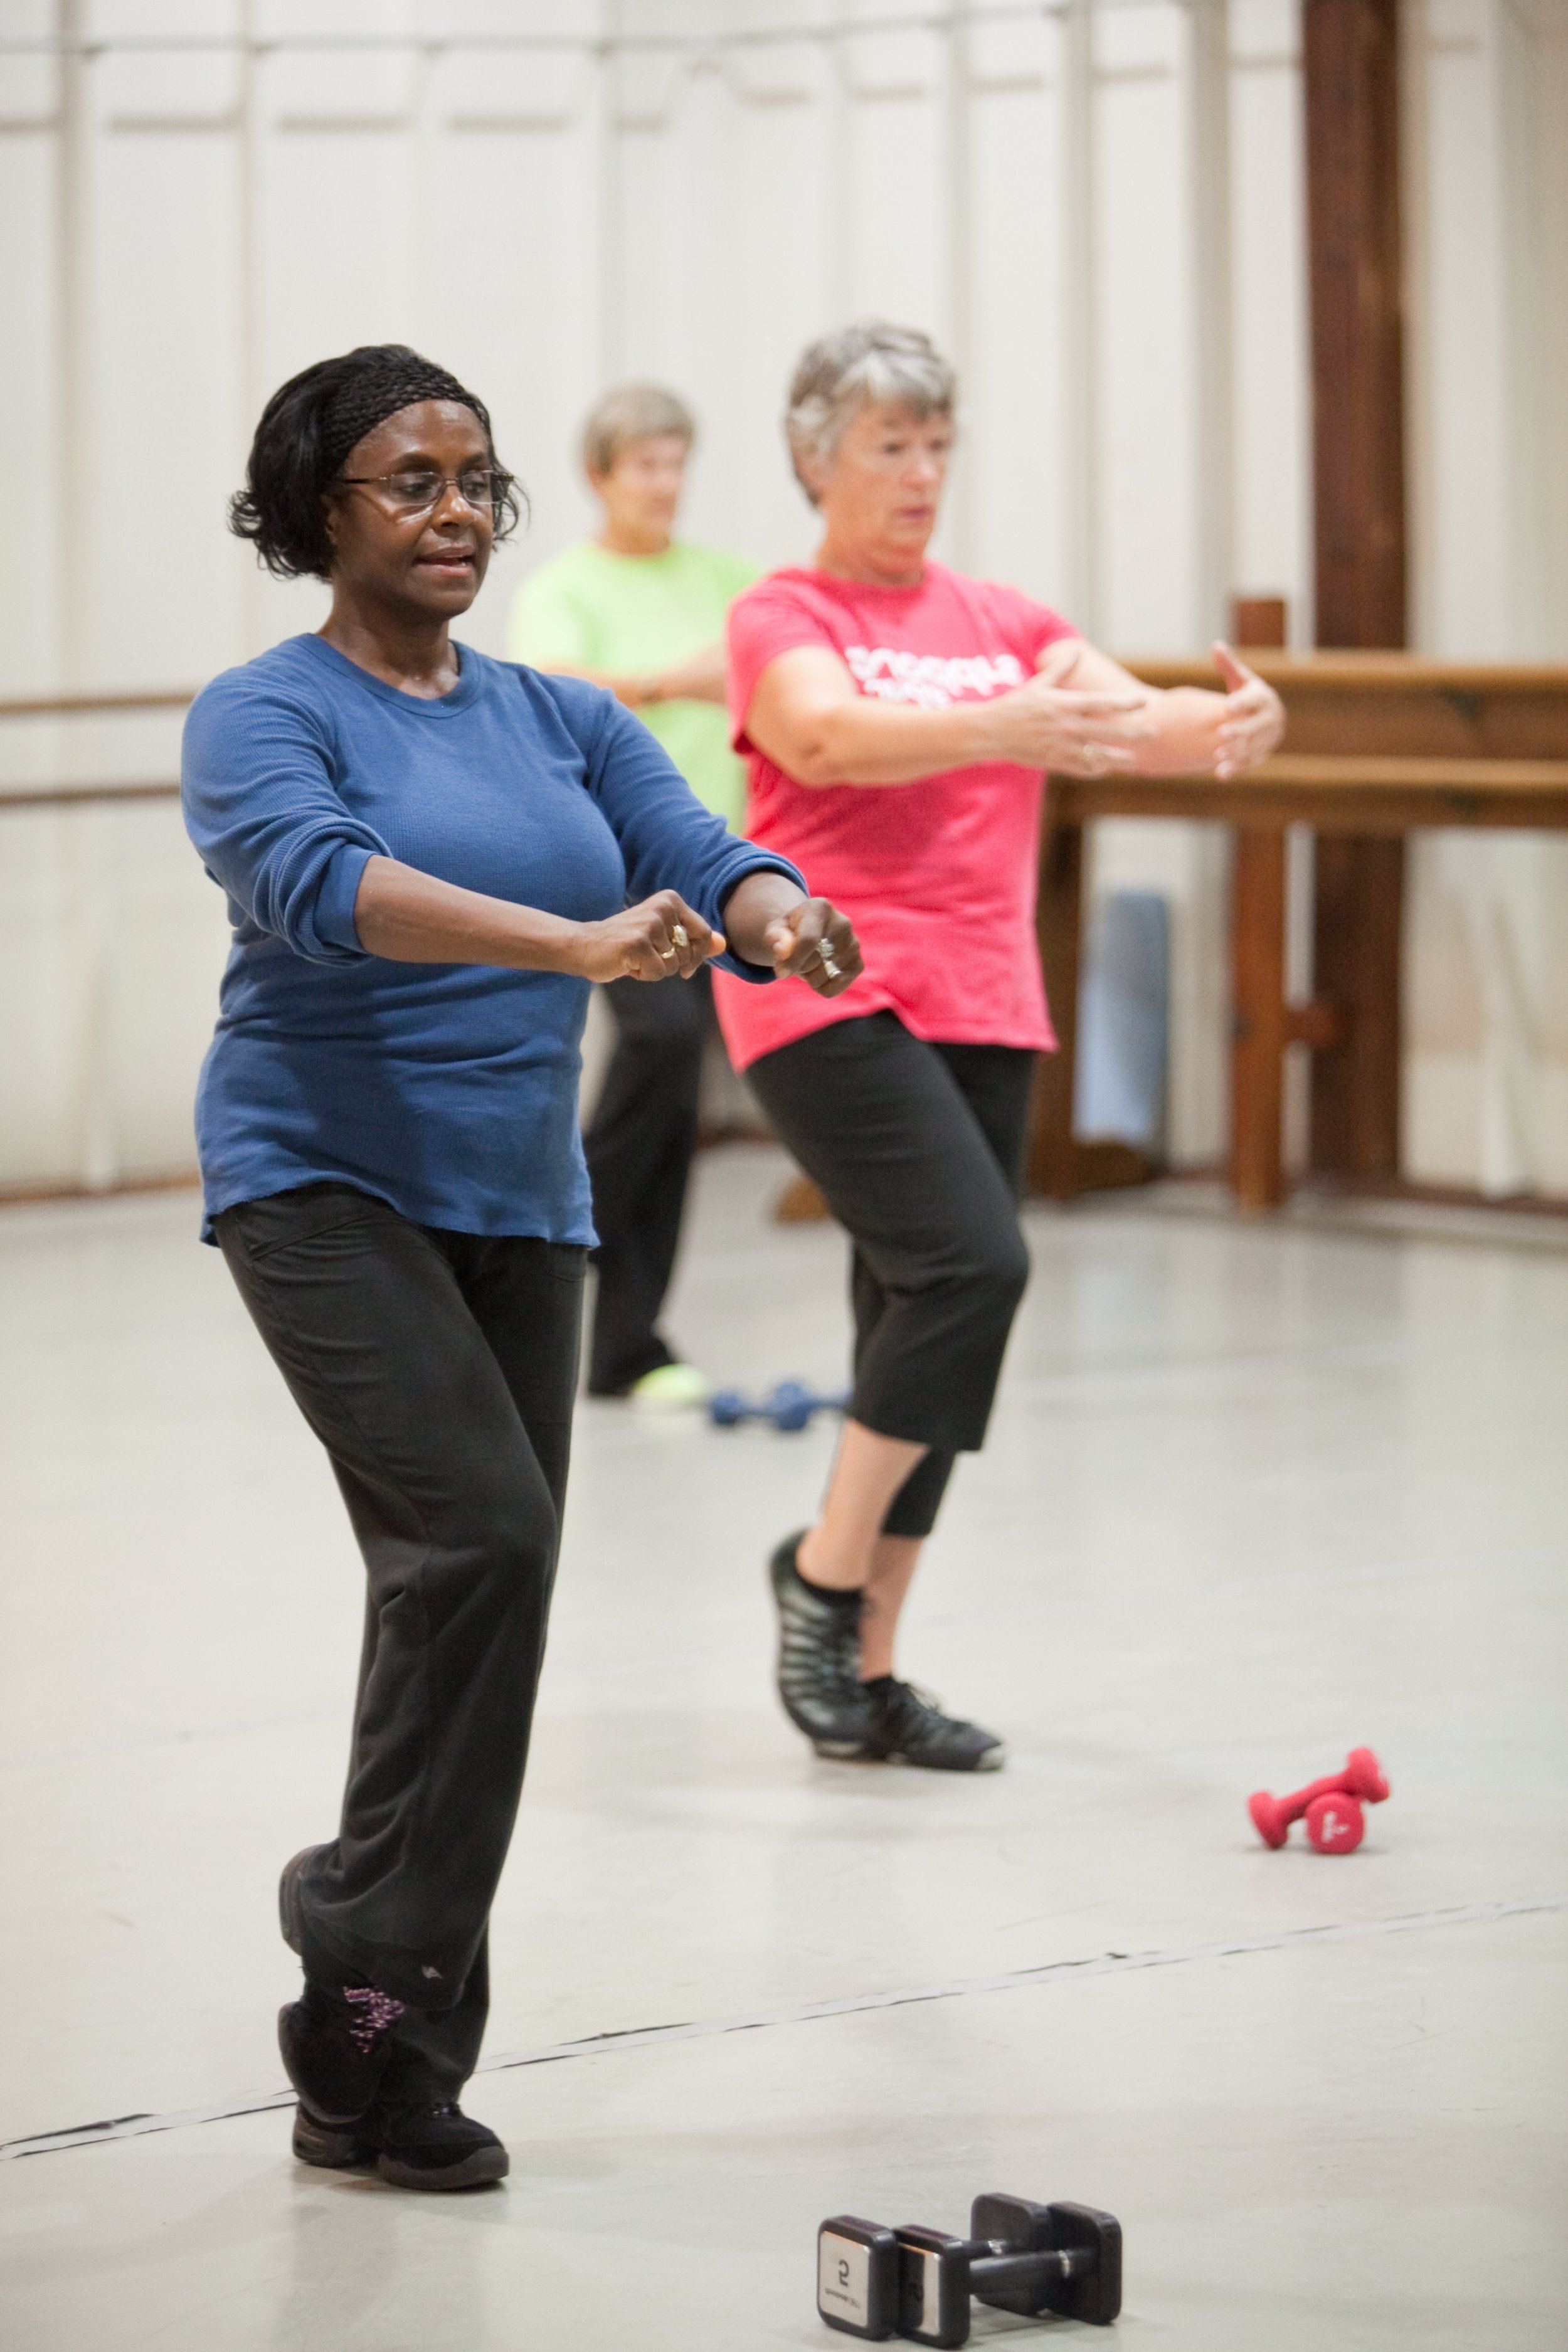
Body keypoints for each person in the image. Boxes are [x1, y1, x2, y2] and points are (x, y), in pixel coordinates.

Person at [185, 343, 861, 2191]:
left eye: (476, 479)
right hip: (319, 1183)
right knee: (478, 1531)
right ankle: (353, 1929)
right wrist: (568, 944)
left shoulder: (561, 713)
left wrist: (773, 912)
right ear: (317, 506)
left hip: (518, 1198)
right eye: (410, 481)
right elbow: (323, 888)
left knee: (471, 1592)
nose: (458, 511)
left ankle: (378, 2054)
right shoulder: (262, 714)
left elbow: (699, 845)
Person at [712, 320, 1286, 1775]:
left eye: (936, 447)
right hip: (823, 987)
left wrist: (1232, 720)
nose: (919, 475)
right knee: (975, 1264)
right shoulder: (782, 613)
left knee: (914, 1320)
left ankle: (874, 1676)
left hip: (983, 994)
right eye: (887, 447)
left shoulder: (1003, 617)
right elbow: (824, 740)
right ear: (811, 461)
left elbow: (1127, 718)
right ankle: (821, 1583)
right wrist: (1003, 723)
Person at [508, 386, 758, 1407]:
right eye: (643, 465)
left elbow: (774, 669)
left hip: (714, 859)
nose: (663, 484)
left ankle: (626, 1338)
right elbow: (549, 693)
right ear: (600, 477)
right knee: (656, 1047)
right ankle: (546, 1237)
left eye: (675, 463)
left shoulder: (729, 580)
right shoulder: (564, 588)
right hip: (610, 862)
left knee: (674, 1096)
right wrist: (664, 682)